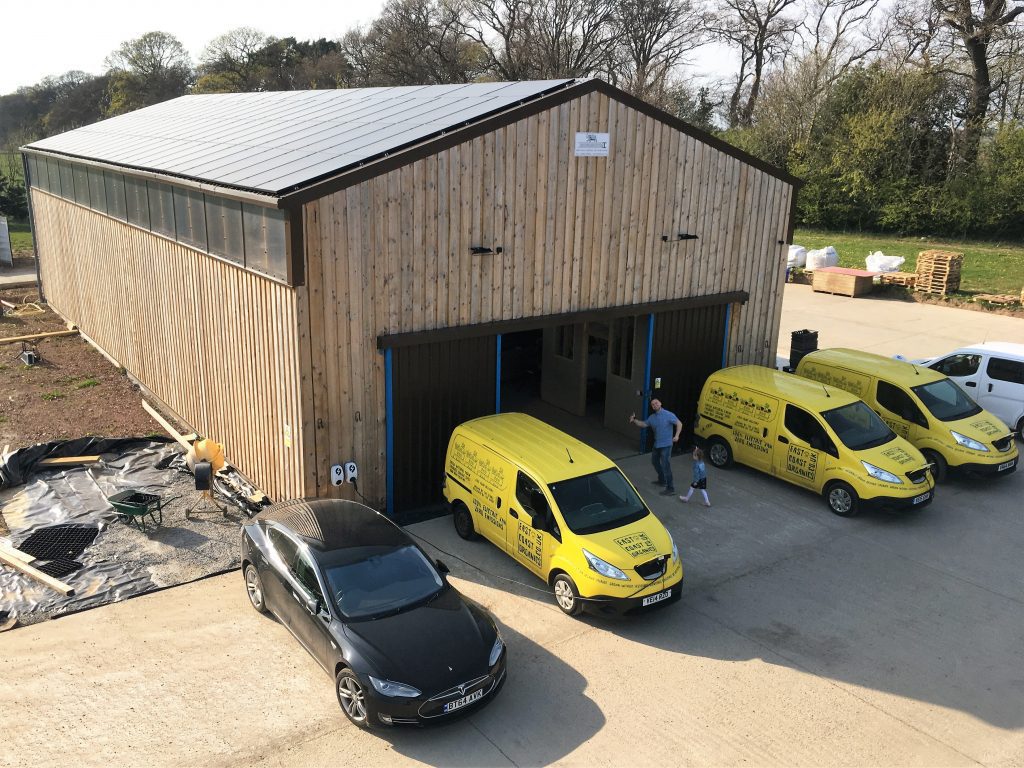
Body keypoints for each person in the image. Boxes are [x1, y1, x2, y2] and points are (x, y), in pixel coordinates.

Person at [629, 399, 682, 495]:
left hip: (666, 445)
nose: (654, 405)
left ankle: (670, 488)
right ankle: (662, 480)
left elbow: (679, 423)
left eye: (656, 403)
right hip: (657, 444)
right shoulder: (652, 417)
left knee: (666, 466)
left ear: (660, 403)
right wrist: (634, 420)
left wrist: (677, 435)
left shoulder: (668, 414)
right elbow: (644, 424)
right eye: (652, 404)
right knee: (655, 462)